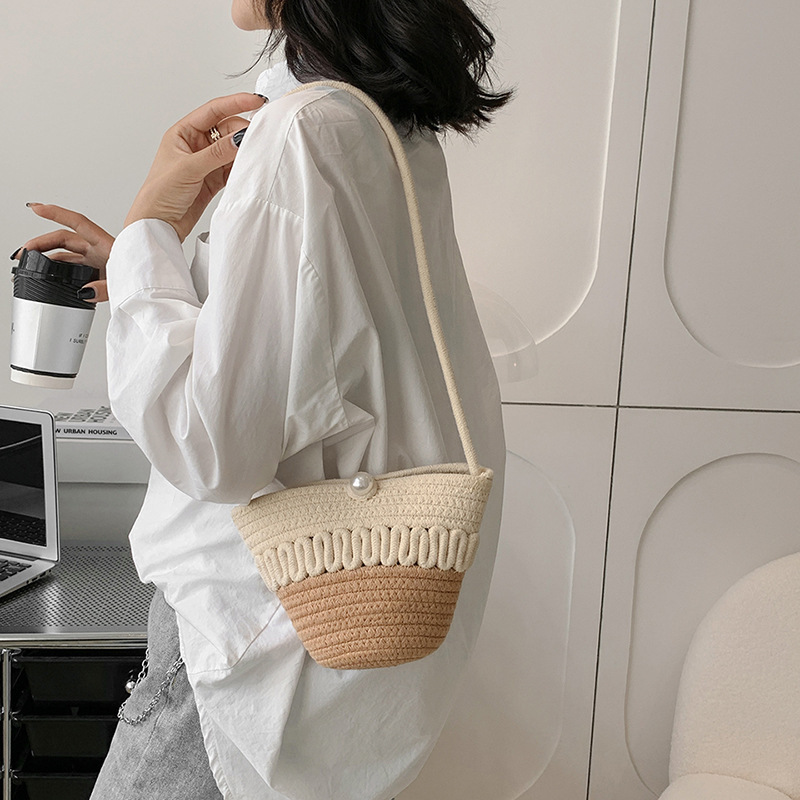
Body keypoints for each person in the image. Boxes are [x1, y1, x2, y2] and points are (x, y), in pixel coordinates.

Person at [15, 0, 510, 797]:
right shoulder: (383, 122)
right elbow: (313, 357)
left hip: (246, 637)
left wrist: (149, 228)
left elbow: (213, 447)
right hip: (335, 626)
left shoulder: (300, 131)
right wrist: (158, 265)